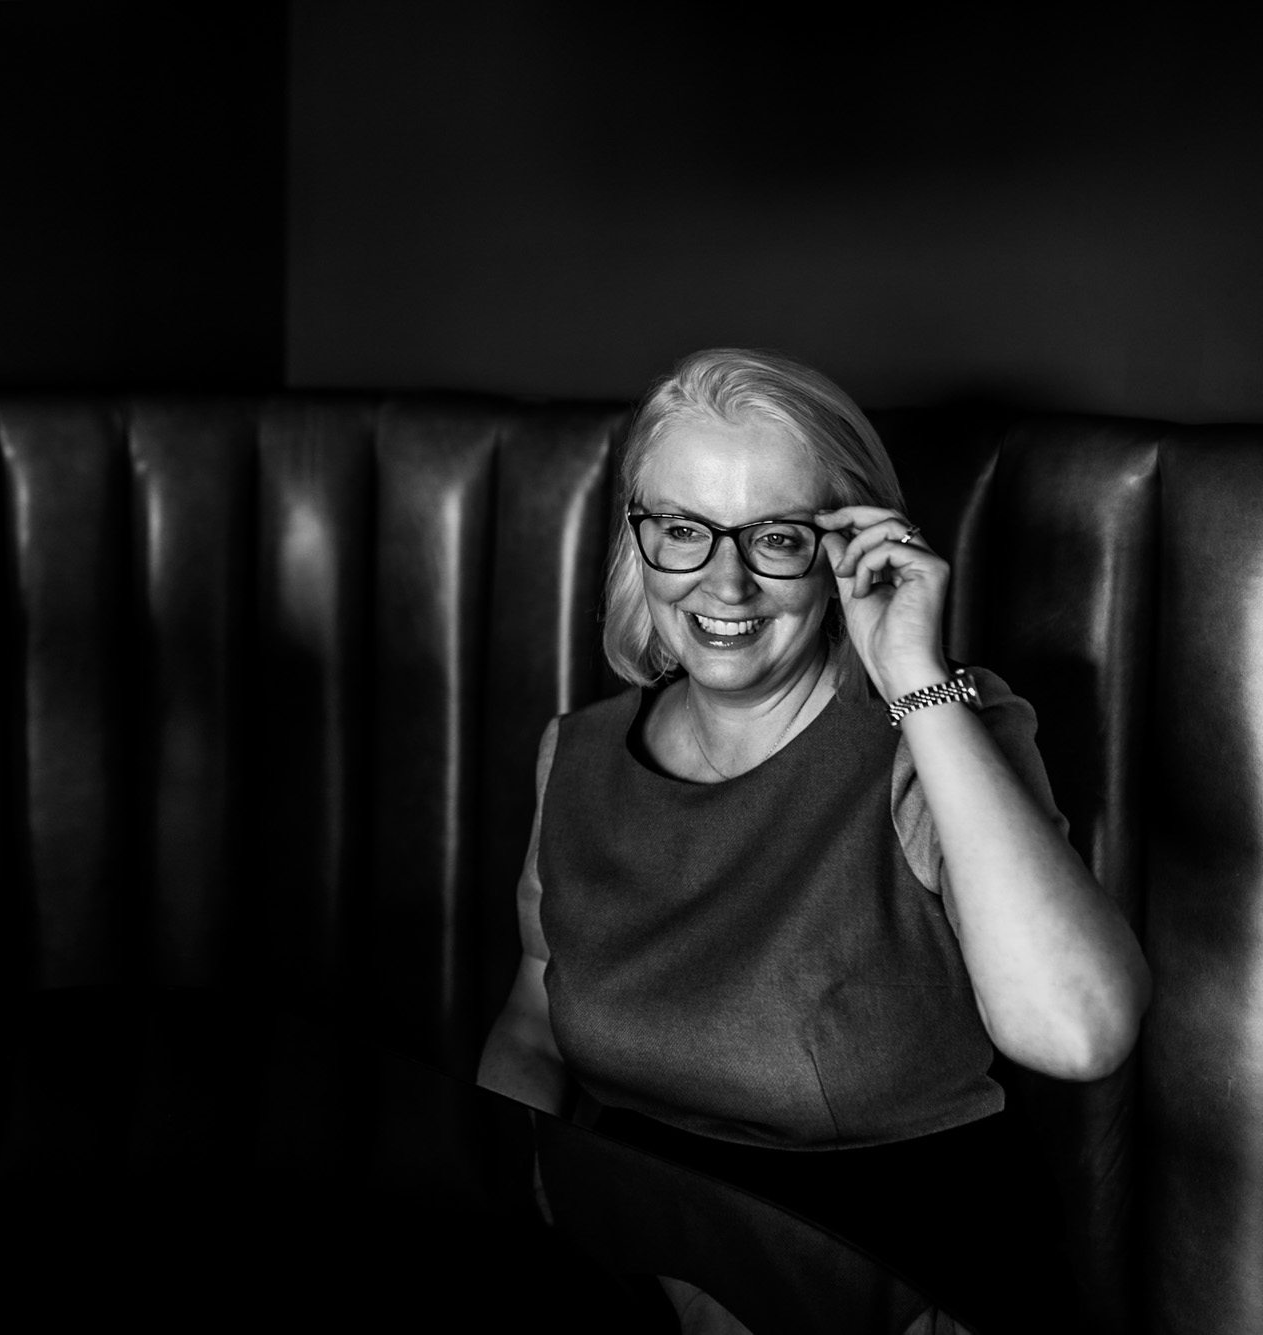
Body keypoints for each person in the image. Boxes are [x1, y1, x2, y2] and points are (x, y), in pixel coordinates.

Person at [477, 349, 1152, 1334]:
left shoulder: (938, 734)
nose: (726, 583)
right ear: (639, 540)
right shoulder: (574, 755)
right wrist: (513, 1221)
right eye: (683, 530)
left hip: (897, 1285)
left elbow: (1079, 1032)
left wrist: (910, 672)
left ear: (848, 545)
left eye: (777, 538)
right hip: (643, 1273)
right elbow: (534, 1024)